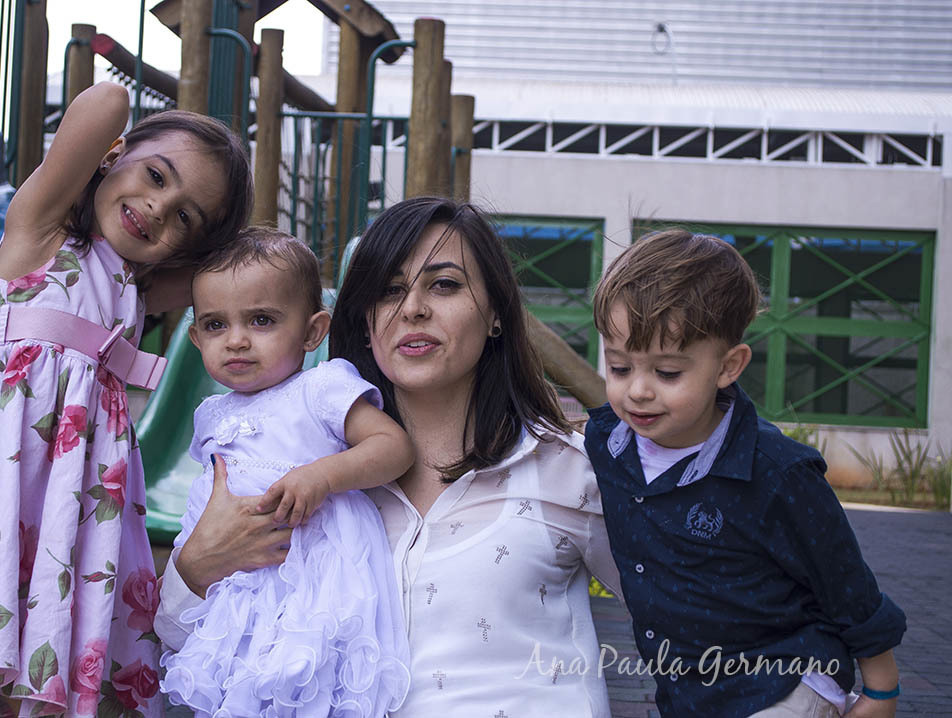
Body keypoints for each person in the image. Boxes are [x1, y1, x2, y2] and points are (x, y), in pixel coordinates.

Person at [156, 197, 622, 717]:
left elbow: (678, 616)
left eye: (444, 285)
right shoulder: (310, 478)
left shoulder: (565, 468)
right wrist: (197, 566)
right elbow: (179, 637)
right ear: (365, 321)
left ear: (495, 313)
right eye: (389, 291)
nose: (413, 309)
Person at [0, 82, 252, 716]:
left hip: (75, 495)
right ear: (112, 154)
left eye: (185, 217)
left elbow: (230, 267)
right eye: (156, 176)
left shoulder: (140, 291)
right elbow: (105, 101)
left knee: (47, 635)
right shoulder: (41, 229)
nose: (158, 207)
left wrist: (207, 230)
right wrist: (113, 149)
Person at [583, 229, 907, 718]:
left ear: (728, 366)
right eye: (619, 367)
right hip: (690, 690)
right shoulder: (606, 444)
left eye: (667, 373)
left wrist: (882, 689)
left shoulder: (776, 472)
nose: (638, 391)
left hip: (788, 677)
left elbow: (843, 579)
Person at [159, 228, 414, 717]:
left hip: (311, 577)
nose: (236, 340)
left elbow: (393, 447)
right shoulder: (211, 414)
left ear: (312, 332)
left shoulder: (321, 389)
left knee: (307, 680)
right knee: (240, 685)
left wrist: (322, 476)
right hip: (238, 586)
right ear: (196, 338)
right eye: (215, 325)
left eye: (261, 320)